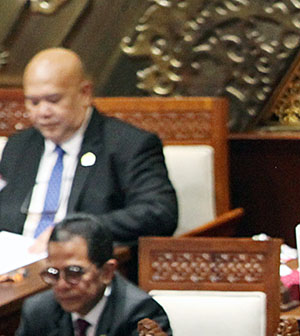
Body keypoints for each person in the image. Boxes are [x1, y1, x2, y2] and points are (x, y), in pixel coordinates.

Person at [0, 48, 177, 247]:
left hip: (81, 270)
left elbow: (160, 211)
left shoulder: (127, 145)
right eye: (33, 102)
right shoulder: (19, 145)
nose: (43, 112)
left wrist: (78, 232)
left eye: (53, 100)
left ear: (85, 93)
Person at [10, 214, 172, 336]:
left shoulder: (140, 313)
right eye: (53, 273)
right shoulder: (39, 311)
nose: (61, 285)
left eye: (74, 272)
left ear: (107, 271)